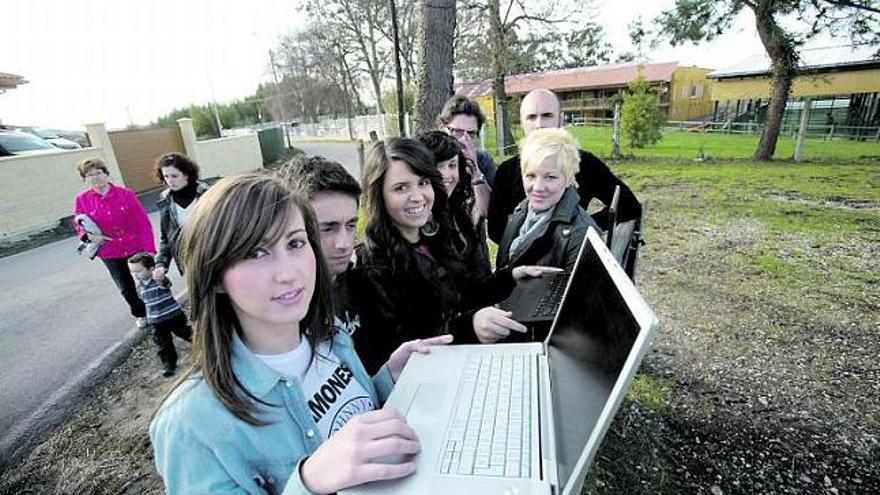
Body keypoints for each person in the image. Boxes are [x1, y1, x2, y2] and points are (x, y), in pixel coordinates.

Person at [150, 172, 452, 494]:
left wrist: (388, 378)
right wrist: (309, 481)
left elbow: (349, 414)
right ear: (214, 276)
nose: (289, 273)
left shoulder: (330, 335)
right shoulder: (189, 425)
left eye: (295, 243)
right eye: (255, 253)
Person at [356, 138, 554, 369]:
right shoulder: (373, 265)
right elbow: (403, 346)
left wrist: (510, 278)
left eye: (423, 182)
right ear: (379, 195)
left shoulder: (434, 237)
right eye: (401, 188)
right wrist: (470, 327)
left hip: (464, 359)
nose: (418, 196)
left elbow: (467, 291)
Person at [487, 88, 641, 243]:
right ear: (521, 123)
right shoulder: (507, 170)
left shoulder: (585, 163)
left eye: (547, 115)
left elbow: (629, 206)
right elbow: (495, 230)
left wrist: (582, 230)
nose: (539, 124)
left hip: (571, 259)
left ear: (560, 120)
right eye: (532, 117)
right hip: (522, 260)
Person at [276, 156, 364, 337]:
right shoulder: (282, 310)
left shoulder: (361, 285)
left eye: (351, 225)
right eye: (327, 229)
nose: (344, 244)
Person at [73, 157, 155, 328]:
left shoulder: (126, 194)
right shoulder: (82, 199)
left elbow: (142, 222)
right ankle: (140, 313)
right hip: (110, 251)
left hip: (135, 247)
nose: (95, 177)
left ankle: (159, 308)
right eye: (90, 175)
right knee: (126, 288)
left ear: (106, 174)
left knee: (148, 280)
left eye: (98, 173)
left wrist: (149, 249)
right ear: (84, 179)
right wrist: (88, 237)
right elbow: (78, 223)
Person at [415, 130, 489, 274]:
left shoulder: (458, 212)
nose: (446, 175)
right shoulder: (414, 217)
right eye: (438, 165)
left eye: (452, 165)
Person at [436, 95, 494, 253]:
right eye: (457, 131)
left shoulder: (482, 160)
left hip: (475, 253)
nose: (464, 139)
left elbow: (490, 212)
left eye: (471, 133)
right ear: (443, 128)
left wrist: (475, 172)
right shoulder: (428, 158)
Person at [127, 252, 192, 377]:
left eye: (139, 271)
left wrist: (161, 278)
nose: (135, 275)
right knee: (163, 343)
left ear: (151, 269)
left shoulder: (157, 281)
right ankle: (169, 364)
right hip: (156, 321)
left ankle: (204, 347)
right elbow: (144, 301)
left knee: (186, 333)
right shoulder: (139, 287)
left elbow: (166, 285)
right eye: (133, 272)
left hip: (173, 315)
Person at [152, 152, 209, 278]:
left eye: (174, 175)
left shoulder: (207, 194)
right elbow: (167, 237)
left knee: (223, 294)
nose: (170, 181)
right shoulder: (165, 199)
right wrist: (161, 264)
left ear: (187, 174)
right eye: (166, 176)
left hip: (214, 254)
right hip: (190, 260)